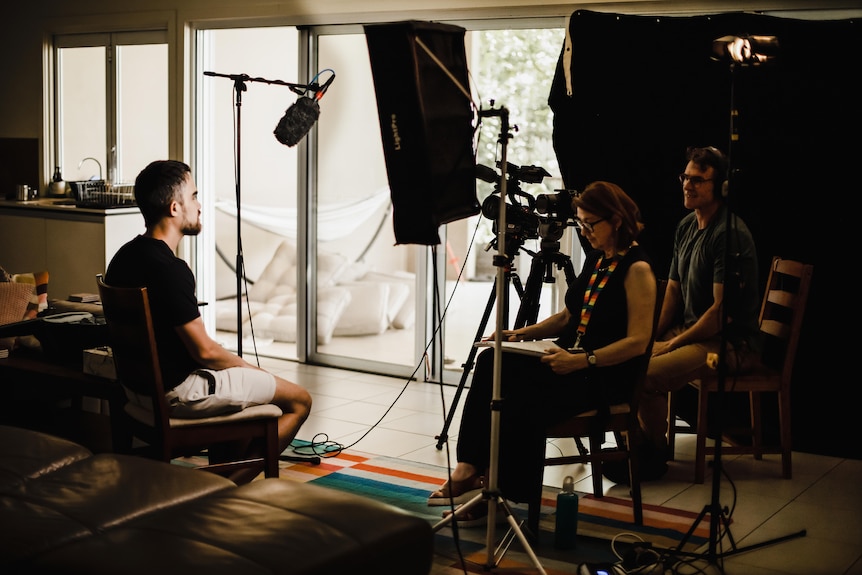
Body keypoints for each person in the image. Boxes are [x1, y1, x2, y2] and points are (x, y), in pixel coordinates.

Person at [427, 181, 657, 519]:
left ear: (617, 221)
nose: (584, 231)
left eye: (590, 224)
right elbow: (568, 317)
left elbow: (638, 342)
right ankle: (469, 468)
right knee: (492, 359)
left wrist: (583, 361)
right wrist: (518, 334)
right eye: (580, 223)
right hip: (572, 362)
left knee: (521, 396)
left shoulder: (637, 269)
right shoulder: (598, 259)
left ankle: (504, 492)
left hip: (602, 375)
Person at [105, 159, 312, 484]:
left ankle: (223, 473)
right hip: (180, 394)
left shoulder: (123, 258)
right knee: (299, 400)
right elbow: (205, 352)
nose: (200, 206)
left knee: (243, 387)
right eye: (195, 196)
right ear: (175, 207)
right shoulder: (170, 270)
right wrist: (251, 370)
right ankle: (224, 487)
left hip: (138, 394)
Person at [604, 146, 761, 484]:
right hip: (695, 332)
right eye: (685, 177)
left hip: (731, 345)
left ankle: (651, 456)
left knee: (646, 373)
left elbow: (720, 314)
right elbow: (673, 291)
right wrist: (647, 338)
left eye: (698, 180)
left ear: (720, 187)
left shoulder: (729, 235)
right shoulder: (687, 225)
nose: (688, 185)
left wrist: (669, 346)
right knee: (627, 356)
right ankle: (639, 446)